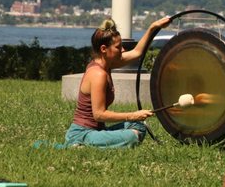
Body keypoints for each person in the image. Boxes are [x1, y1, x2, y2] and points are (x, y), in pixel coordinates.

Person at [64, 17, 171, 148]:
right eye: (118, 47)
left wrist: (154, 27)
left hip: (97, 131)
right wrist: (132, 115)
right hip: (83, 134)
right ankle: (78, 145)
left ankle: (100, 142)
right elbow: (99, 114)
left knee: (139, 125)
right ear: (104, 49)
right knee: (132, 136)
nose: (123, 50)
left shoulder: (107, 63)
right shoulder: (98, 74)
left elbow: (137, 52)